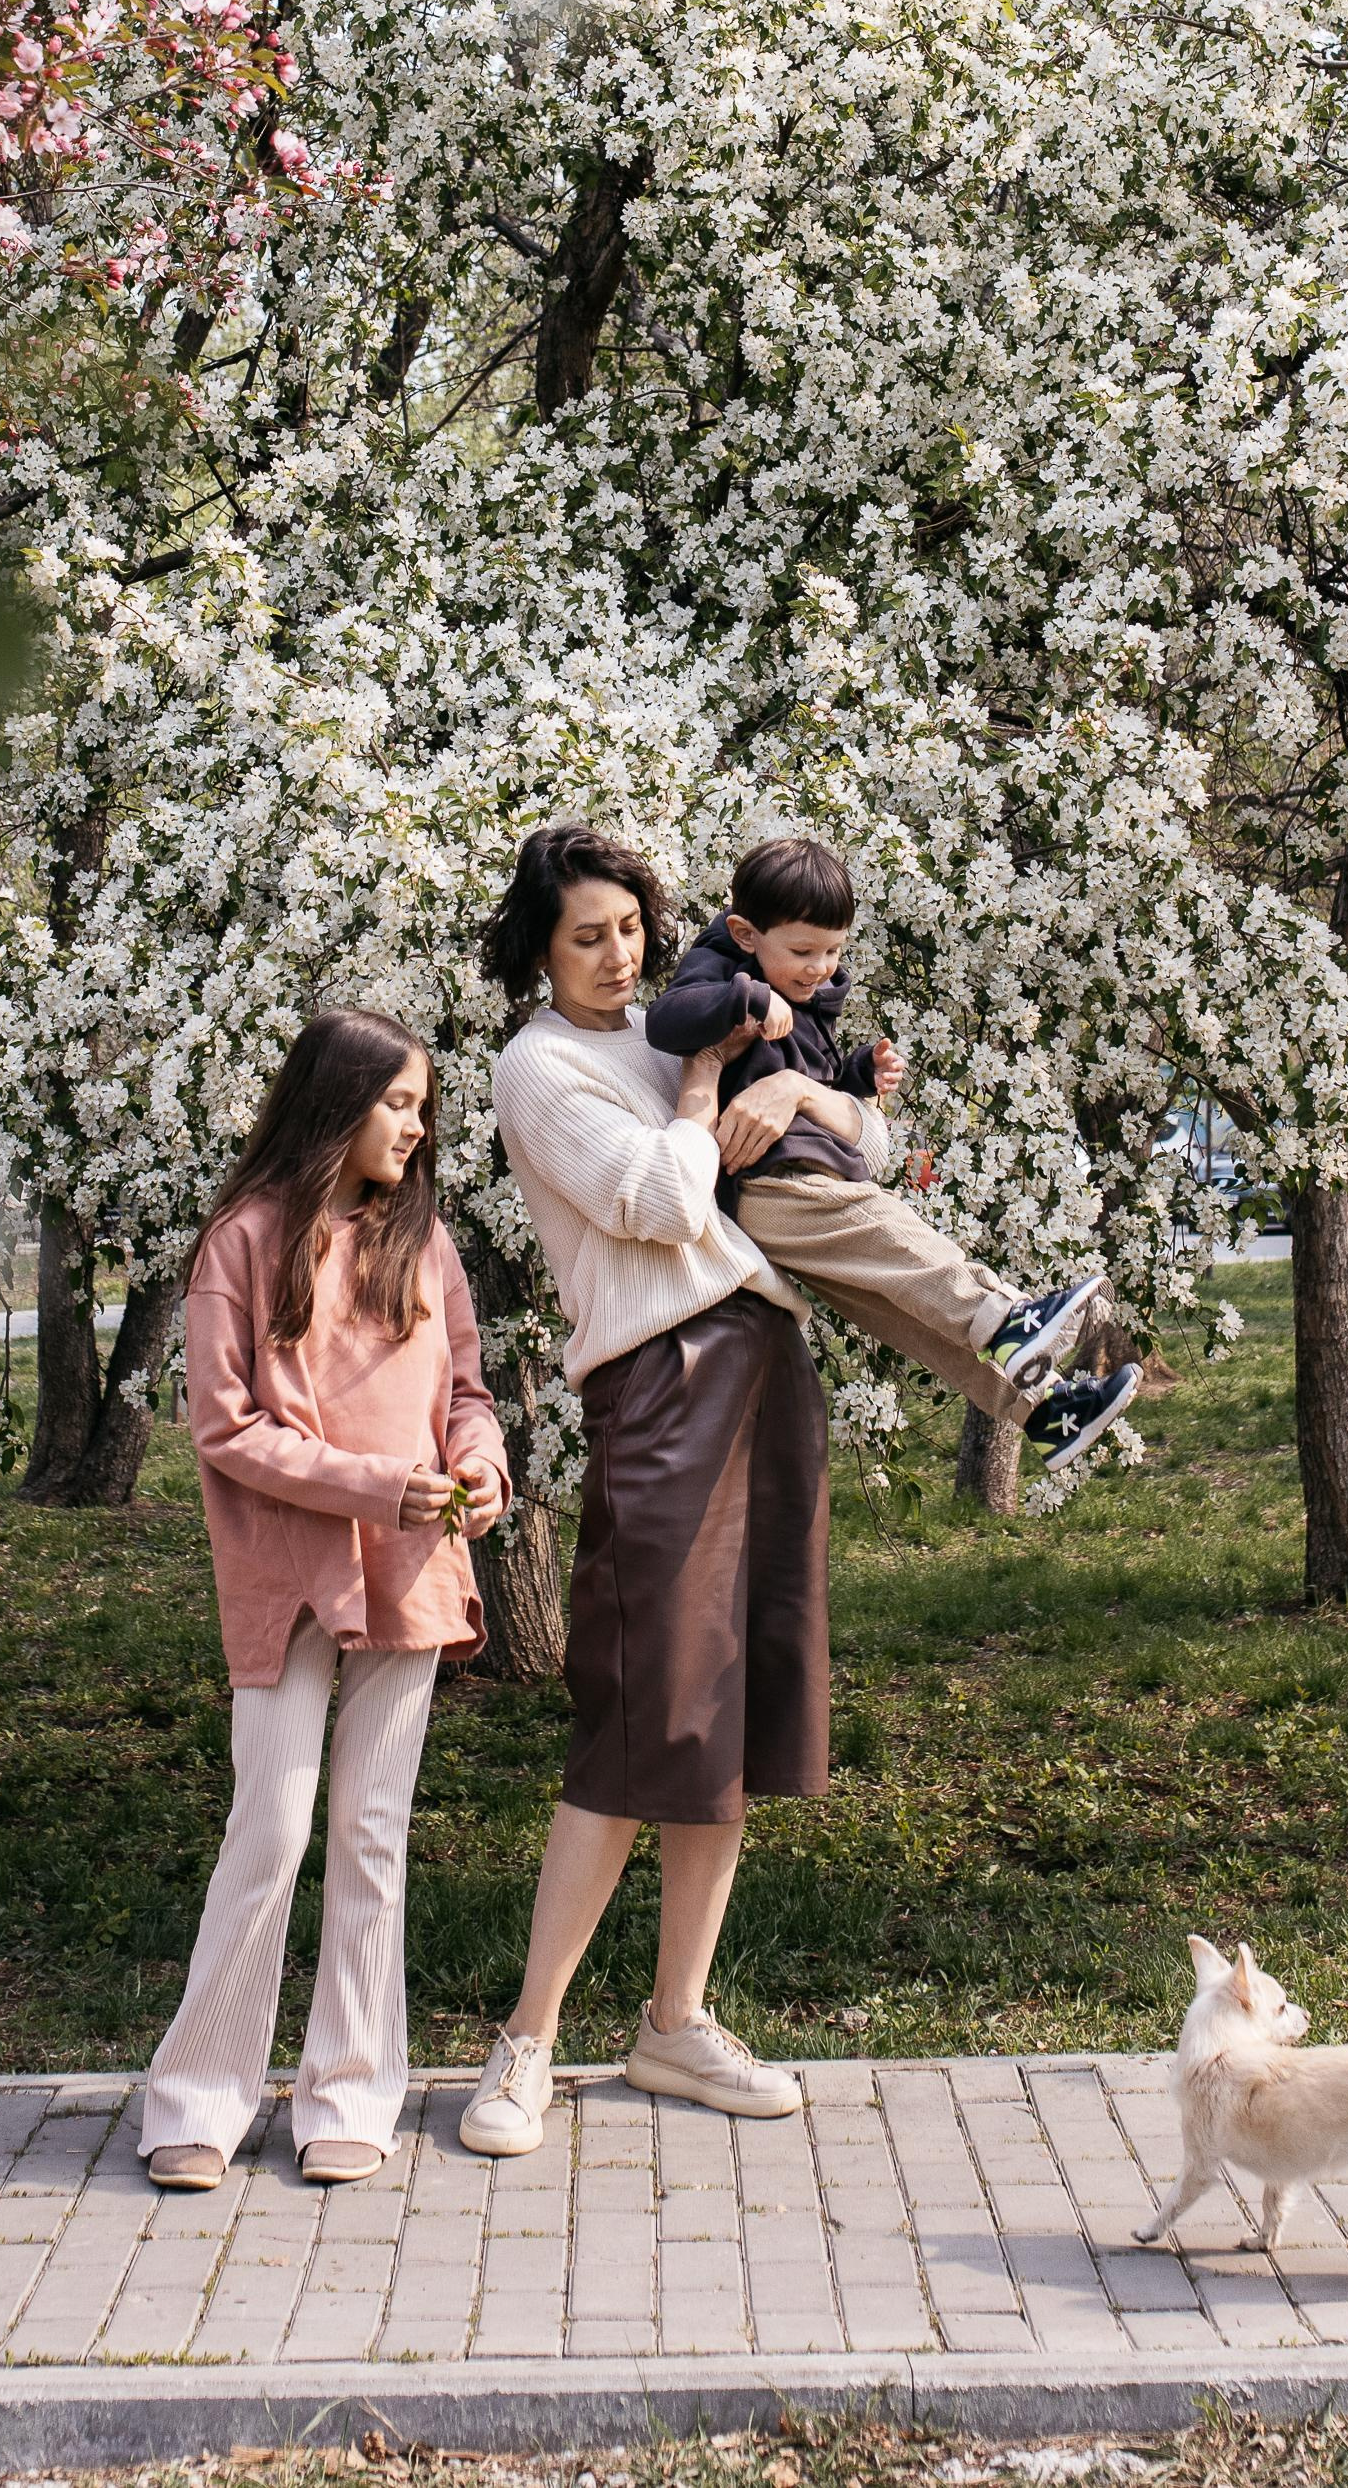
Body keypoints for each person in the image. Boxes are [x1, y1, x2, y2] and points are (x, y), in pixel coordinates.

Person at [459, 824, 829, 2163]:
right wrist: (698, 1099)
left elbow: (835, 1144)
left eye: (627, 930)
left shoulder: (683, 1027)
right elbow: (657, 1203)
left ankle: (674, 2022)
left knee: (725, 1708)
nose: (615, 958)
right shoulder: (541, 1064)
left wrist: (787, 1096)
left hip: (760, 1357)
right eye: (583, 938)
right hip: (658, 1381)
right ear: (537, 950)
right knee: (637, 1706)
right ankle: (526, 2041)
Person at [140, 1009, 510, 2193]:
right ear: (334, 1101)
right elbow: (222, 1425)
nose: (417, 1126)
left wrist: (482, 1465)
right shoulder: (239, 1244)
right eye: (398, 1102)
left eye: (422, 1106)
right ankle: (197, 2095)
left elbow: (468, 1389)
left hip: (411, 1567)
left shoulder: (423, 1242)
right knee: (275, 1823)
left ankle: (350, 2089)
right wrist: (370, 1487)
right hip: (285, 1573)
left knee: (371, 1831)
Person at [645, 834, 1141, 1478]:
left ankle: (1044, 1412)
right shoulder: (722, 969)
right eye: (801, 952)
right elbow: (667, 1020)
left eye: (833, 951)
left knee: (915, 1313)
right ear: (744, 933)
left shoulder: (802, 986)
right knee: (898, 1241)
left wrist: (858, 1074)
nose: (819, 968)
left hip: (799, 1177)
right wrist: (747, 998)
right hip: (772, 1185)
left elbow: (813, 1080)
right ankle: (1004, 1316)